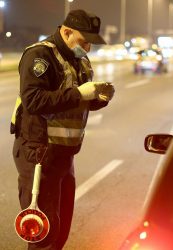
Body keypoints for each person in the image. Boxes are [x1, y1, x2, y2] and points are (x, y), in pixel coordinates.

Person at [10, 9, 115, 250]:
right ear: (66, 32)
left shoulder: (79, 60)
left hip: (64, 154)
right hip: (38, 153)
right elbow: (33, 101)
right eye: (84, 41)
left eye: (90, 43)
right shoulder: (40, 56)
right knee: (44, 234)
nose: (87, 48)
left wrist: (99, 98)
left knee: (61, 230)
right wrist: (80, 93)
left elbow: (75, 102)